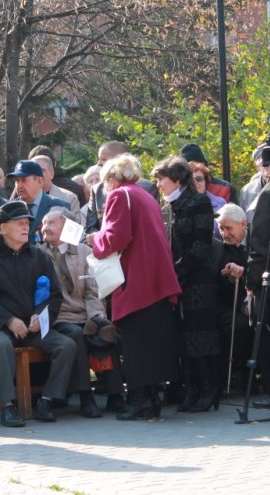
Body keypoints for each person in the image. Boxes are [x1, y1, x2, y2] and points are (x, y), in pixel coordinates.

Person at [86, 154, 181, 420]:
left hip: (136, 281)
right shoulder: (145, 195)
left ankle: (141, 401)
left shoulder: (119, 196)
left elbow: (117, 237)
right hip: (155, 279)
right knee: (152, 342)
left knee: (135, 343)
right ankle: (151, 400)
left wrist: (96, 240)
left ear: (112, 180)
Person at [0, 201, 75, 427]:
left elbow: (55, 295)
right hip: (2, 328)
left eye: (27, 223)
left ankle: (46, 401)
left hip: (34, 326)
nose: (26, 227)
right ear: (2, 227)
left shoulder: (39, 257)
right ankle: (8, 407)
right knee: (0, 344)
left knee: (66, 345)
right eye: (19, 223)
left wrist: (41, 315)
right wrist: (9, 320)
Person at [152, 156, 219, 413]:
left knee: (201, 335)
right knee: (182, 337)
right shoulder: (166, 207)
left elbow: (201, 245)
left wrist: (177, 269)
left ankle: (209, 388)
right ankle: (191, 388)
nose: (158, 184)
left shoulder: (198, 201)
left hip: (197, 280)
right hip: (175, 280)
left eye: (162, 179)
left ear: (177, 179)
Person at [40, 207, 116, 417]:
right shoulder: (39, 254)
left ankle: (116, 394)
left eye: (51, 223)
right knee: (75, 335)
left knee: (105, 330)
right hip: (59, 317)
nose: (45, 228)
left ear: (67, 226)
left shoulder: (85, 252)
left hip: (85, 313)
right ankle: (86, 396)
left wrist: (96, 315)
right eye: (44, 223)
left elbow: (94, 290)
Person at [214, 204, 253, 394]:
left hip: (251, 300)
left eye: (228, 228)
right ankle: (236, 373)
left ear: (243, 224)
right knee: (239, 326)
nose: (224, 233)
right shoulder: (220, 249)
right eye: (221, 228)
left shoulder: (255, 241)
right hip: (227, 304)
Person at [85, 141, 157, 234]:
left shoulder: (147, 188)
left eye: (103, 159)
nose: (99, 163)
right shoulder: (97, 190)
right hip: (106, 247)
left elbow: (151, 226)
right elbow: (91, 227)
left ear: (119, 159)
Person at [7, 160, 68, 243]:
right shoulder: (9, 209)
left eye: (24, 180)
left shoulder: (60, 207)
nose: (19, 185)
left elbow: (72, 243)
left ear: (40, 181)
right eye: (17, 181)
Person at [190, 161, 225, 240]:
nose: (195, 183)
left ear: (206, 182)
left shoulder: (220, 204)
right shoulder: (178, 206)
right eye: (191, 180)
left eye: (199, 179)